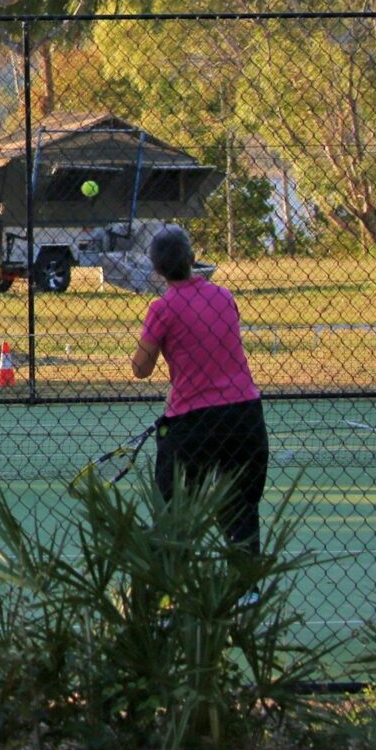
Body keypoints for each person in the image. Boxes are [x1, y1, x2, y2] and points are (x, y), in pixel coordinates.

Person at [126, 224, 268, 550]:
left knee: (173, 511)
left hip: (194, 423)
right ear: (192, 258)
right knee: (240, 508)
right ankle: (248, 589)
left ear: (156, 268)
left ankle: (170, 588)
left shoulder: (162, 308)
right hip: (245, 414)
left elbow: (140, 369)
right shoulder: (224, 296)